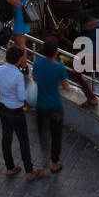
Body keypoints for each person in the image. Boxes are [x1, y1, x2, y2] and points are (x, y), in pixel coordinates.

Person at [0, 46, 42, 180]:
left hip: (3, 109)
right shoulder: (18, 76)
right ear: (18, 60)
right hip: (16, 112)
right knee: (23, 141)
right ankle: (29, 171)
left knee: (6, 139)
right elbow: (22, 97)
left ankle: (10, 167)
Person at [31, 35, 70, 173]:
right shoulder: (59, 67)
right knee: (56, 136)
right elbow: (66, 87)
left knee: (43, 134)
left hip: (40, 106)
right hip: (55, 107)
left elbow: (34, 78)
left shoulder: (37, 64)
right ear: (56, 52)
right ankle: (55, 163)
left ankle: (44, 157)